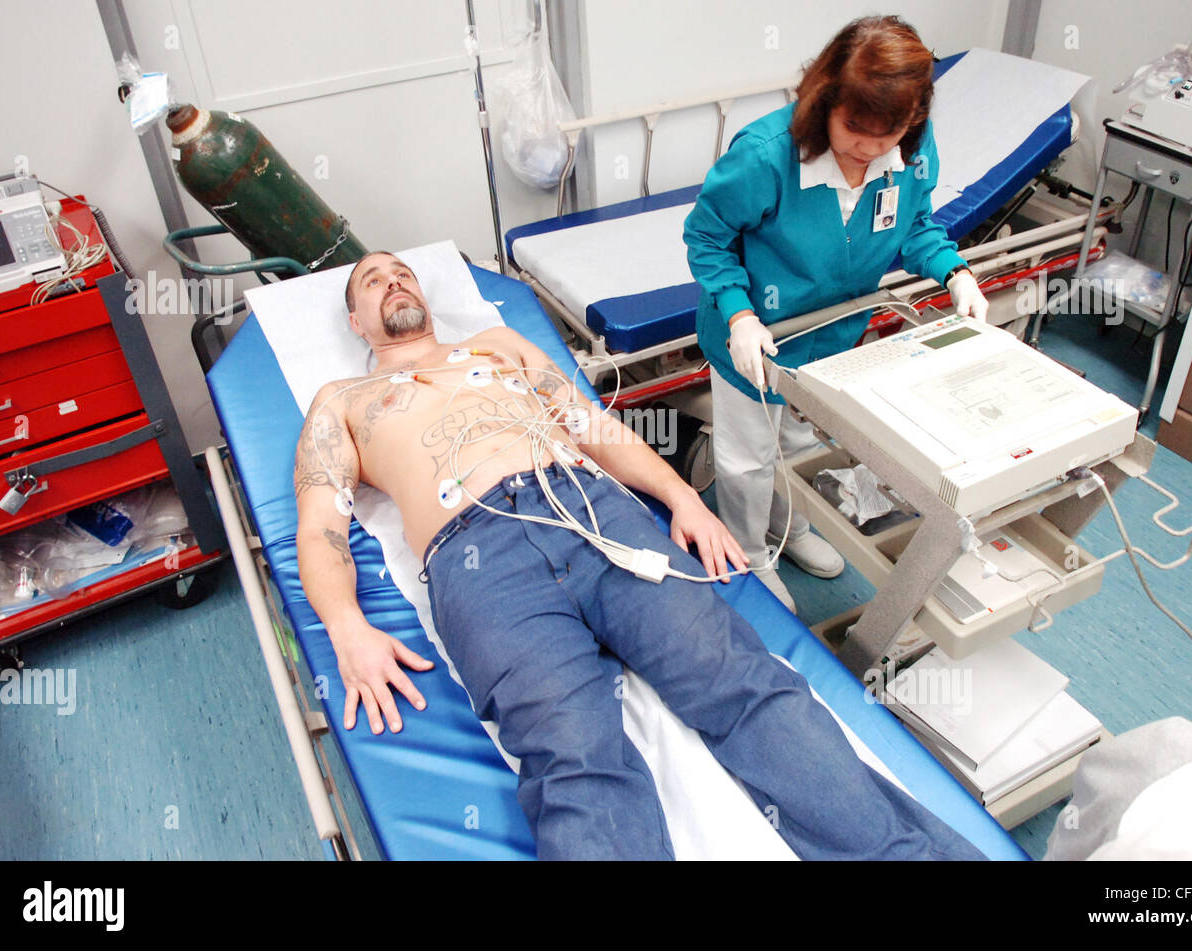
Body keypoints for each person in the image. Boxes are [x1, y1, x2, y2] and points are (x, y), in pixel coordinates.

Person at [293, 249, 984, 861]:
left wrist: (682, 495)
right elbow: (320, 522)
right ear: (356, 320)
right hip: (477, 555)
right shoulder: (343, 400)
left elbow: (589, 424)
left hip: (594, 510)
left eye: (402, 271)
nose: (392, 282)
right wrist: (347, 628)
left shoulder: (497, 344)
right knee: (572, 757)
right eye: (373, 281)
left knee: (742, 684)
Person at [684, 15, 989, 613]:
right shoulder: (767, 157)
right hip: (754, 336)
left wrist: (955, 271)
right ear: (826, 100)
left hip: (831, 337)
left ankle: (790, 529)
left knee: (800, 445)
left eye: (889, 132)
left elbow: (916, 226)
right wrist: (740, 315)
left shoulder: (911, 148)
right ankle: (748, 551)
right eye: (855, 128)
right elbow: (707, 238)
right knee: (748, 459)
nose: (871, 148)